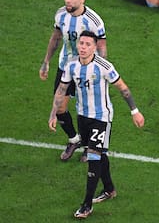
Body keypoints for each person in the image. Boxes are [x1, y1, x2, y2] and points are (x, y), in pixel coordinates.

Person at [48, 30, 145, 219]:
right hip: (83, 116)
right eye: (81, 43)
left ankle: (86, 205)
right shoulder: (71, 66)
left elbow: (123, 88)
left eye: (87, 44)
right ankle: (109, 189)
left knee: (93, 157)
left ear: (94, 47)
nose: (83, 47)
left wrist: (135, 111)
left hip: (101, 117)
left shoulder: (104, 66)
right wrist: (53, 113)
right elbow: (61, 89)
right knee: (99, 153)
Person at [40, 0, 107, 162]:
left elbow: (101, 48)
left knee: (87, 112)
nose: (67, 0)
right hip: (65, 67)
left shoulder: (94, 21)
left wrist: (101, 71)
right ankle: (74, 139)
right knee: (60, 106)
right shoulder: (61, 14)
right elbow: (56, 38)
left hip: (87, 71)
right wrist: (46, 61)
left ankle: (88, 146)